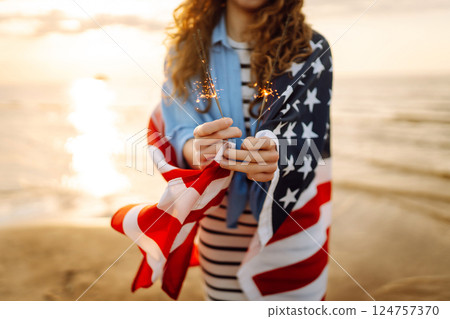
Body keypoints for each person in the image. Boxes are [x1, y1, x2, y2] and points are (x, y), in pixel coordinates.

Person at [161, 0, 332, 300]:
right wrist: (194, 148)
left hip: (291, 228)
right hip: (220, 229)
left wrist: (280, 157)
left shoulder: (311, 50)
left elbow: (312, 142)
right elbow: (177, 126)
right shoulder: (186, 48)